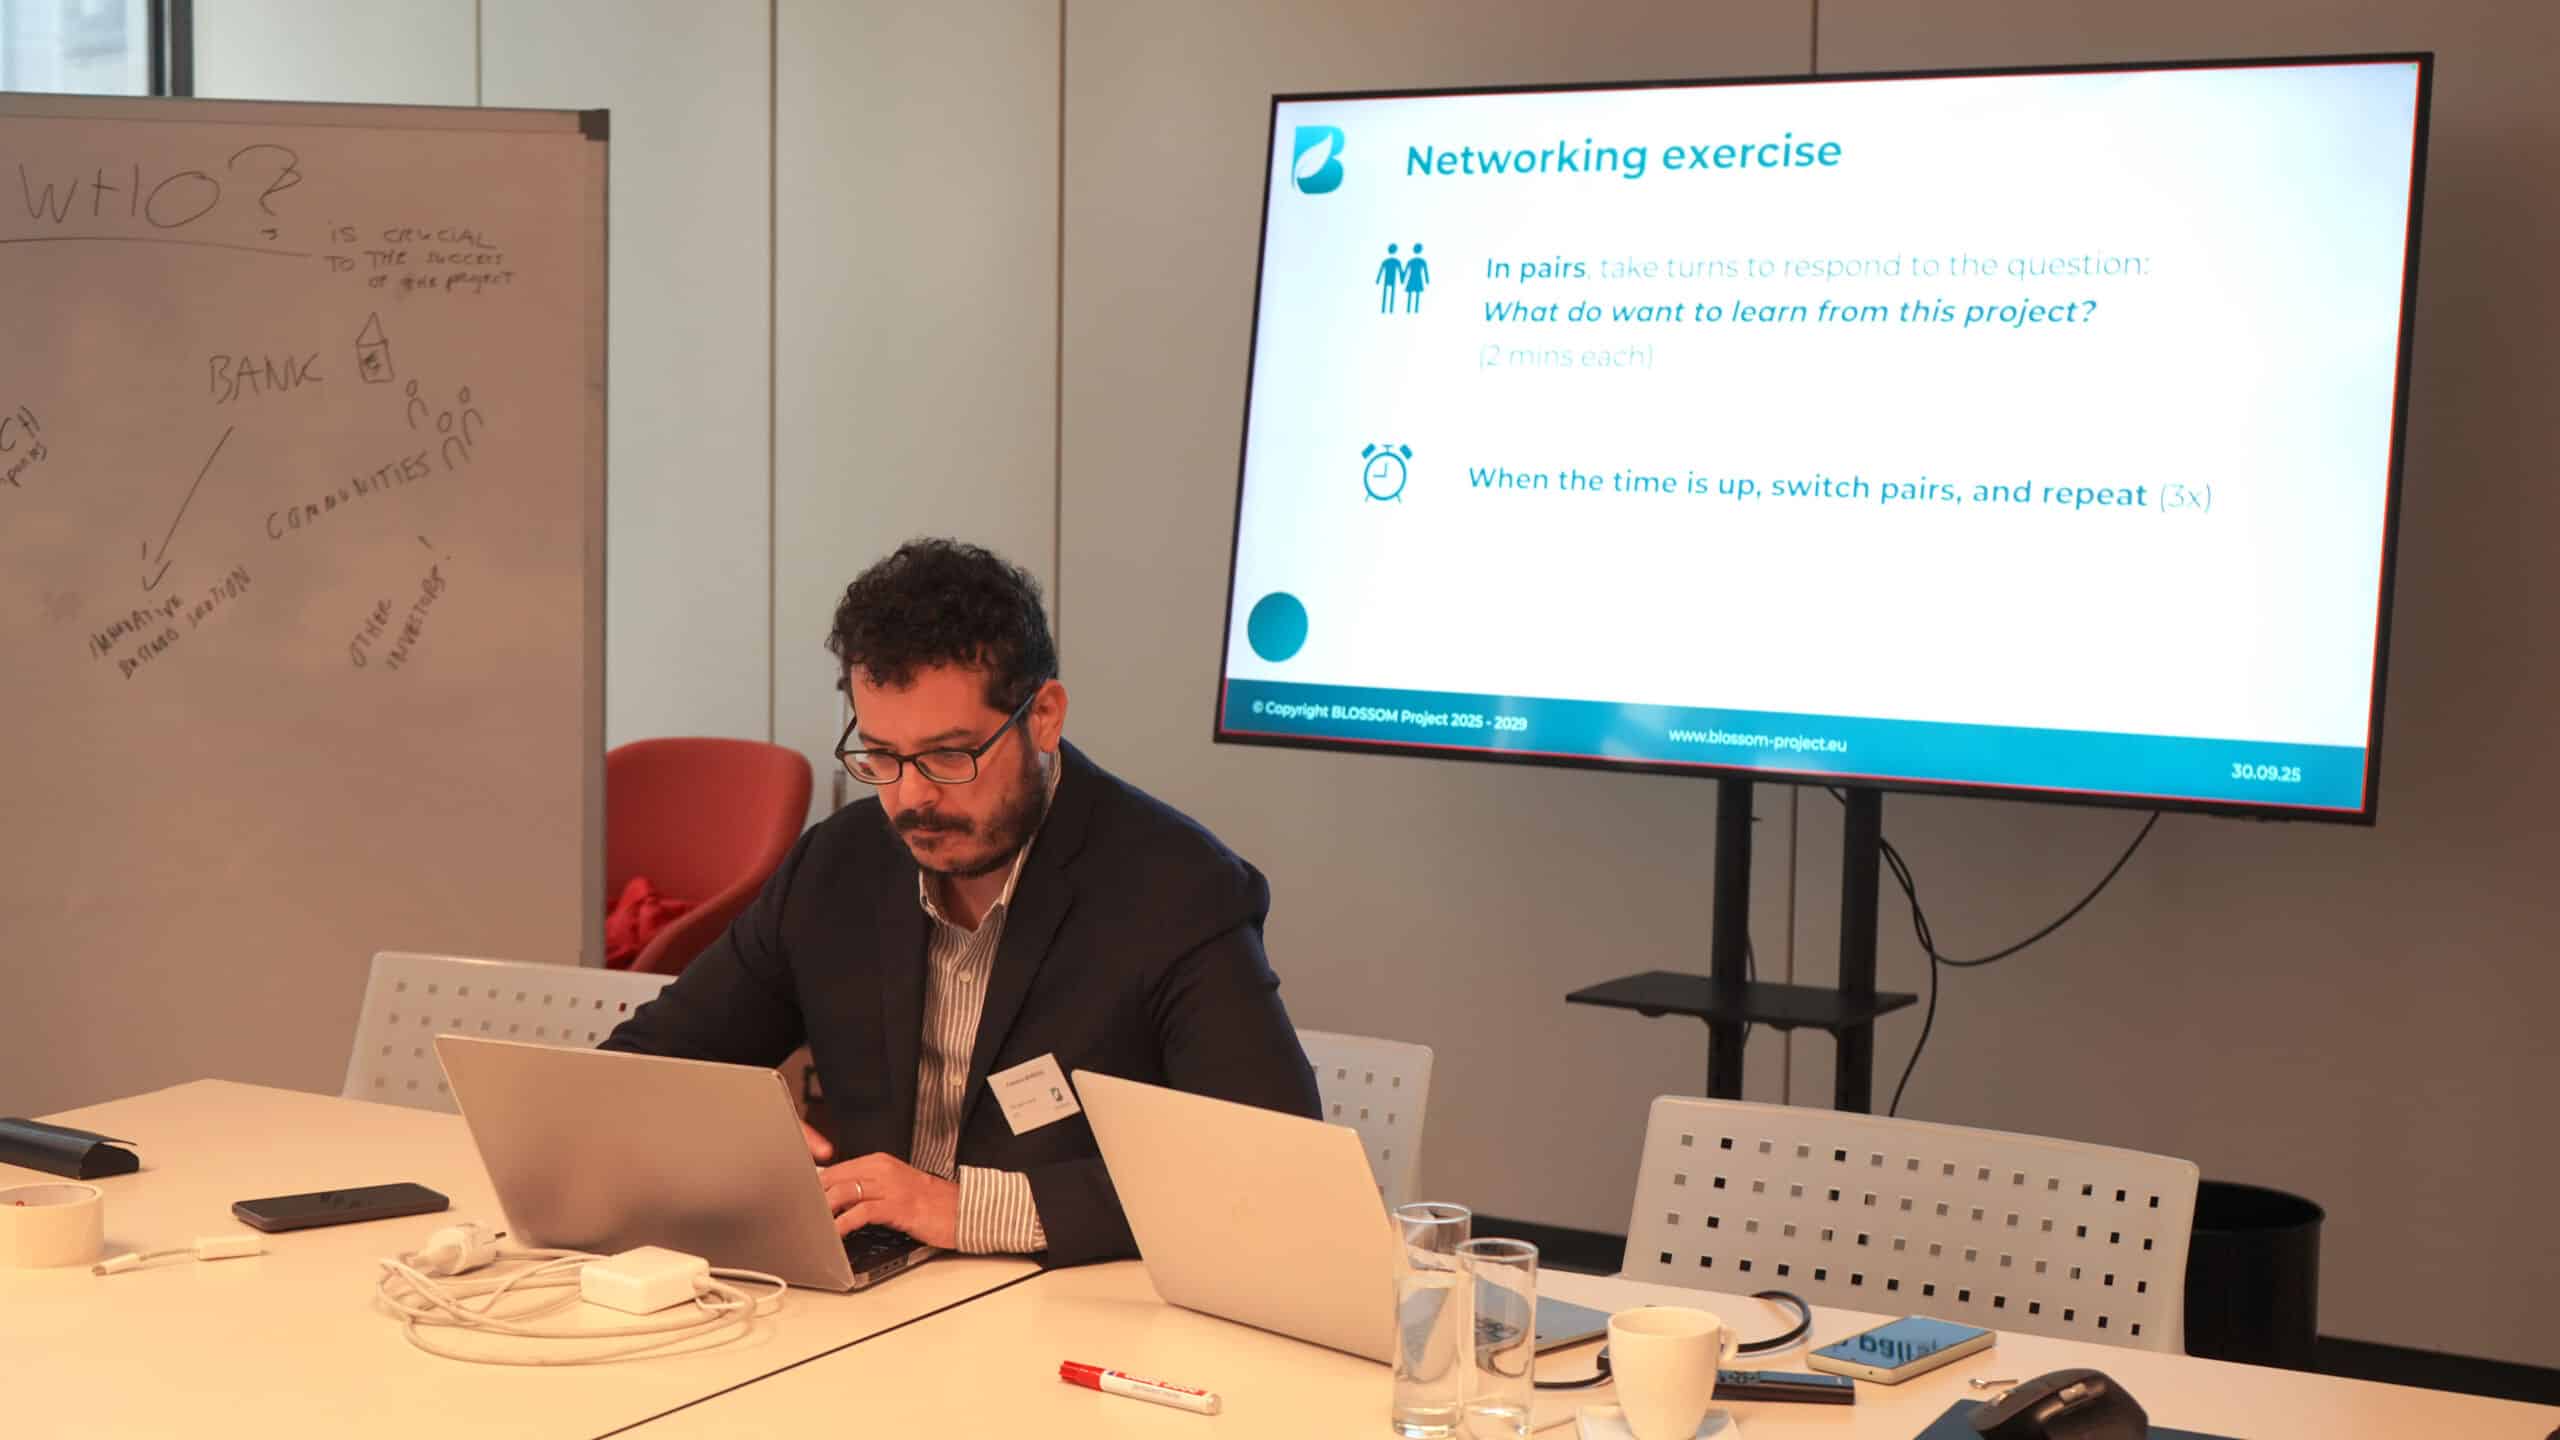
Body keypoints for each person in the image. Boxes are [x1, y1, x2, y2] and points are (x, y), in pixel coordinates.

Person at [601, 539, 1321, 1266]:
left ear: (1044, 716)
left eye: (950, 756)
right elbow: (638, 1070)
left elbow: (1270, 1170)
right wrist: (723, 1134)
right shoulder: (837, 867)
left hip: (1066, 1301)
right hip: (866, 1293)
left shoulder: (1176, 891)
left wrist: (967, 1210)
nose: (912, 798)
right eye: (882, 756)